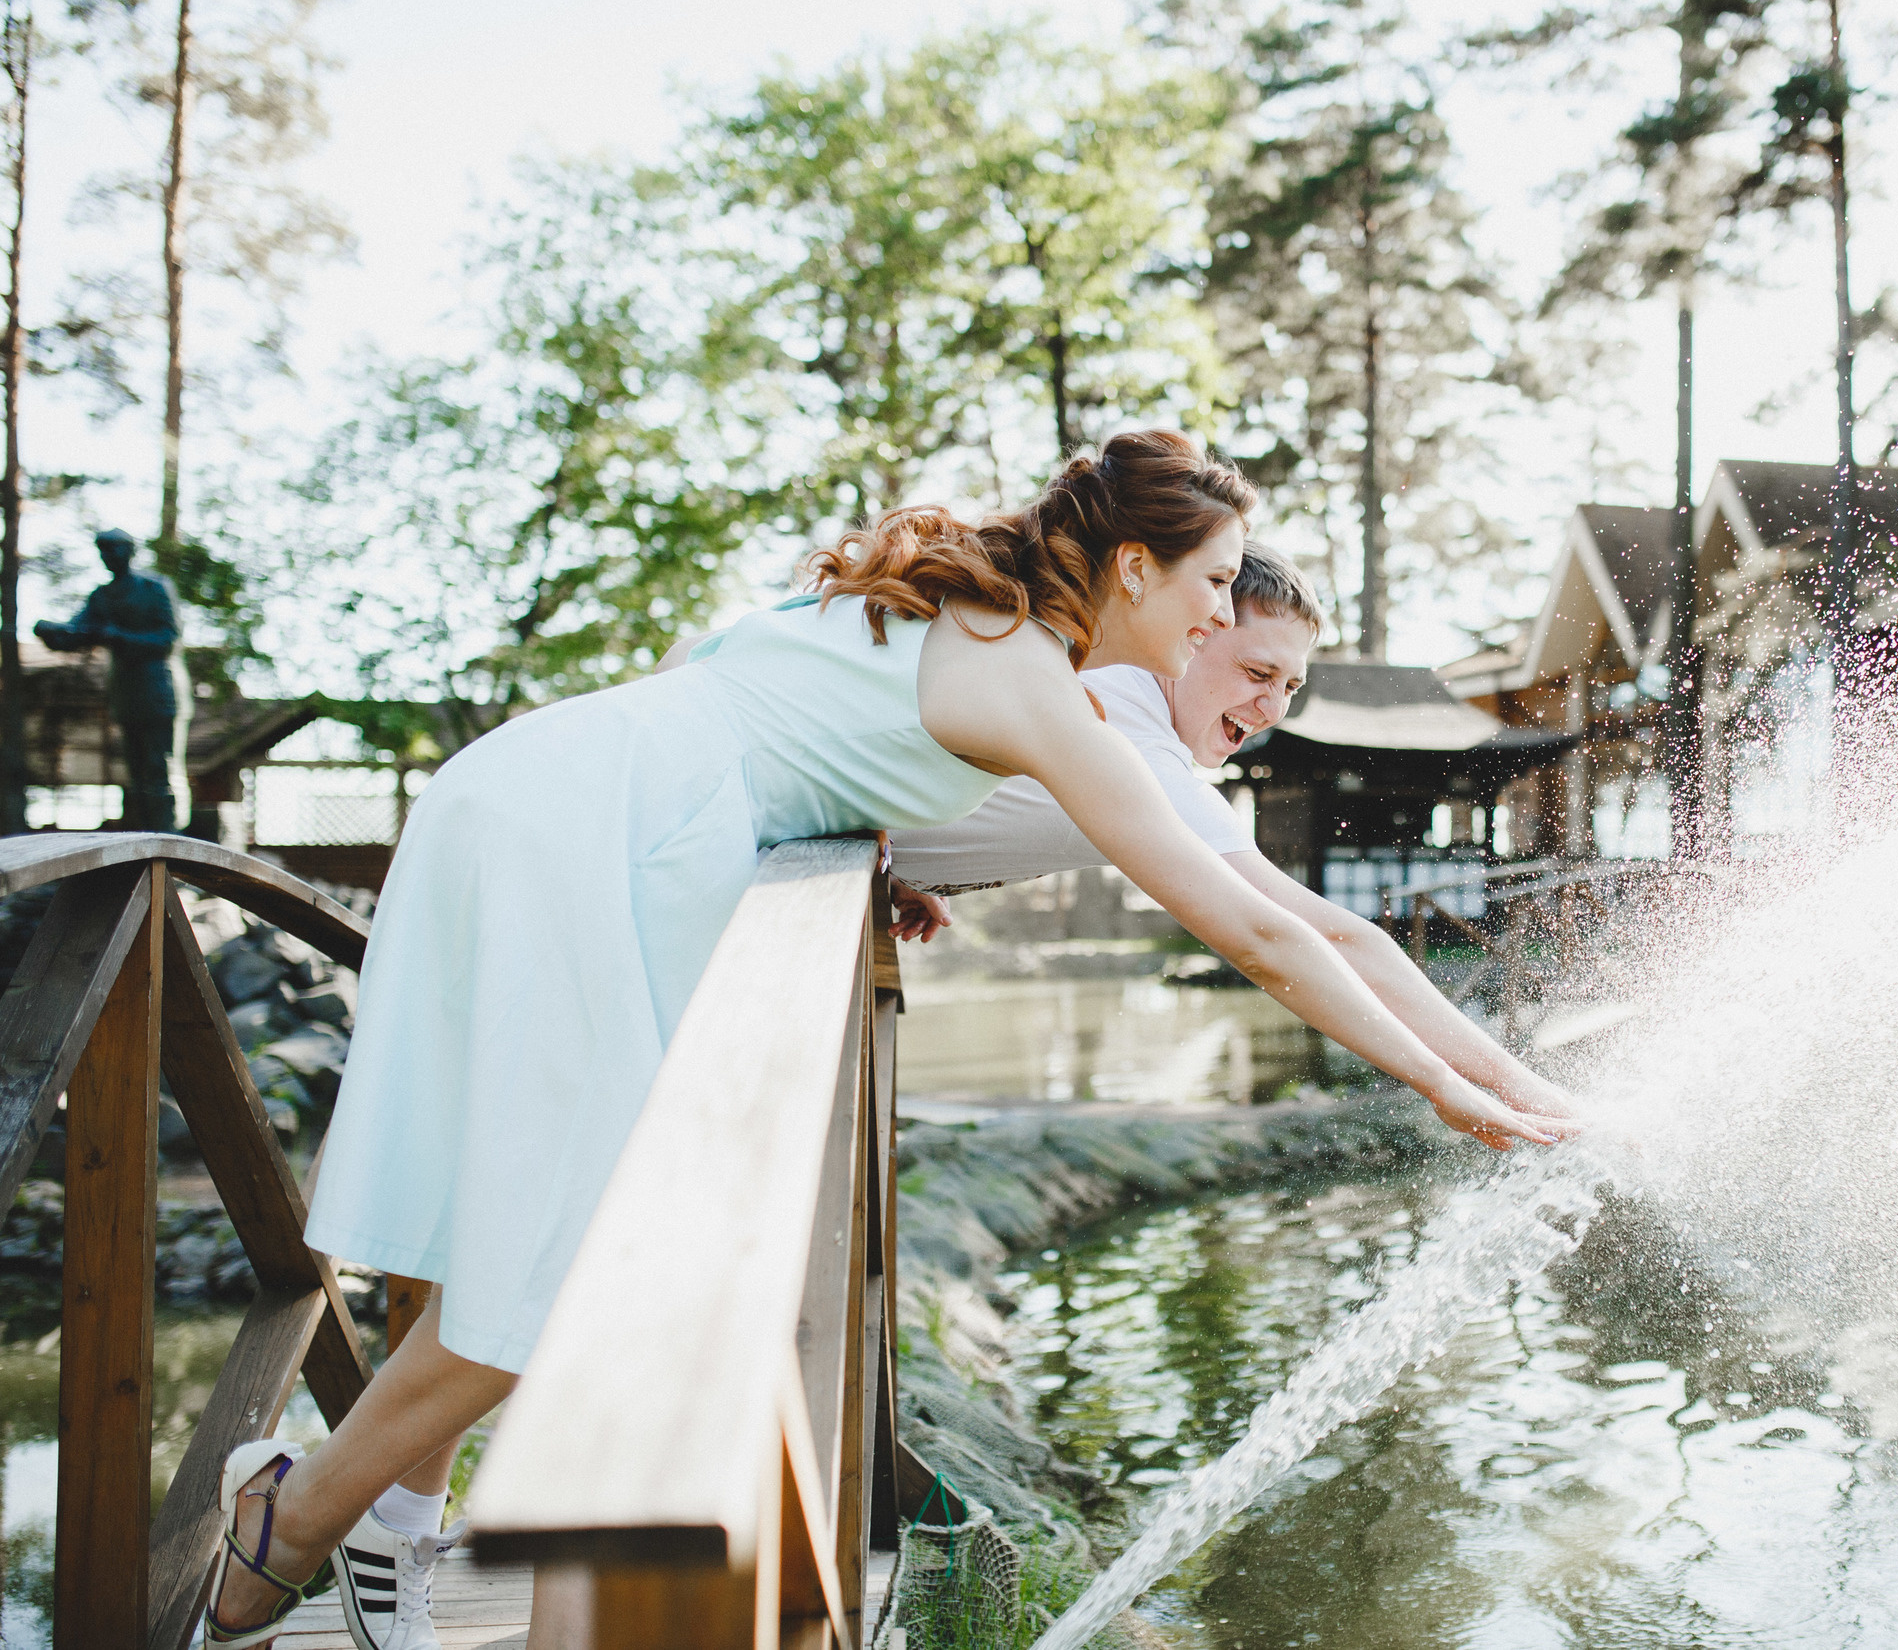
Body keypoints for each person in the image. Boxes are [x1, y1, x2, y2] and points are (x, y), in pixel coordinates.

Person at [202, 432, 1577, 1649]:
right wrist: (1448, 1086)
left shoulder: (951, 602)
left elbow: (727, 683)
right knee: (582, 1254)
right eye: (1219, 583)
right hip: (594, 840)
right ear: (1142, 568)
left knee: (521, 1222)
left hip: (537, 786)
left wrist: (852, 836)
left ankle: (370, 1517)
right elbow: (1265, 931)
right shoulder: (1036, 681)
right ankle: (290, 1519)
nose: (1228, 609)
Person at [885, 539, 1577, 1119]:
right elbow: (1305, 937)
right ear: (1194, 630)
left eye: (1291, 685)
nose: (1271, 706)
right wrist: (1471, 1086)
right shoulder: (1134, 744)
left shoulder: (1101, 683)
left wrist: (901, 863)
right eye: (1257, 671)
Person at [34, 527, 191, 832]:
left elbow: (168, 639)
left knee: (161, 769)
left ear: (130, 551)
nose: (108, 556)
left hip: (160, 690)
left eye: (114, 549)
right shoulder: (102, 596)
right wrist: (53, 633)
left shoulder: (155, 588)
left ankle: (172, 841)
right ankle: (148, 841)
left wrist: (119, 637)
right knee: (136, 774)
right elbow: (79, 631)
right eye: (103, 550)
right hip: (127, 694)